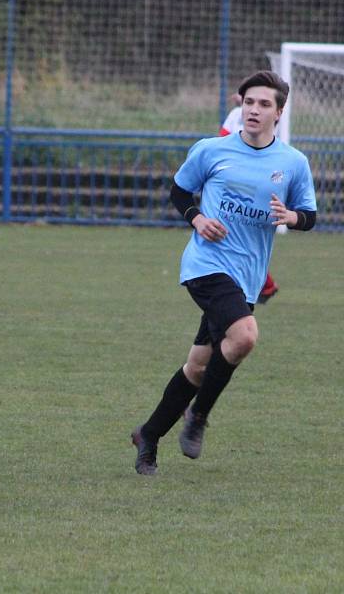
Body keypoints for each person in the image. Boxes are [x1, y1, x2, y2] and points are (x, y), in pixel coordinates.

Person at [131, 71, 317, 475]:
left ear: (279, 113)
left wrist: (292, 217)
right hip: (206, 265)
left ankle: (148, 435)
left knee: (198, 366)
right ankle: (198, 417)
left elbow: (311, 216)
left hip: (246, 276)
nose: (253, 110)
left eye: (264, 104)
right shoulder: (211, 150)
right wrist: (196, 219)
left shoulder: (292, 163)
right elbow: (179, 191)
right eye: (249, 102)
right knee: (245, 335)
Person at [219, 92, 280, 303]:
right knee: (237, 239)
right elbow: (222, 140)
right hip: (235, 181)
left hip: (248, 184)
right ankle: (264, 285)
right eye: (249, 99)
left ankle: (263, 285)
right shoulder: (237, 115)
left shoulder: (265, 120)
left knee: (237, 239)